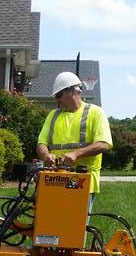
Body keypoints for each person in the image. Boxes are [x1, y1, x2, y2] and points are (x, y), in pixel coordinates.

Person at [36, 71, 112, 212]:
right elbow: (41, 144)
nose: (57, 100)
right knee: (49, 226)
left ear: (72, 91)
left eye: (59, 95)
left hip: (82, 182)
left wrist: (76, 154)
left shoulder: (95, 113)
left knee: (74, 229)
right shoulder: (53, 115)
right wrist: (46, 155)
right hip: (55, 181)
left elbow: (104, 144)